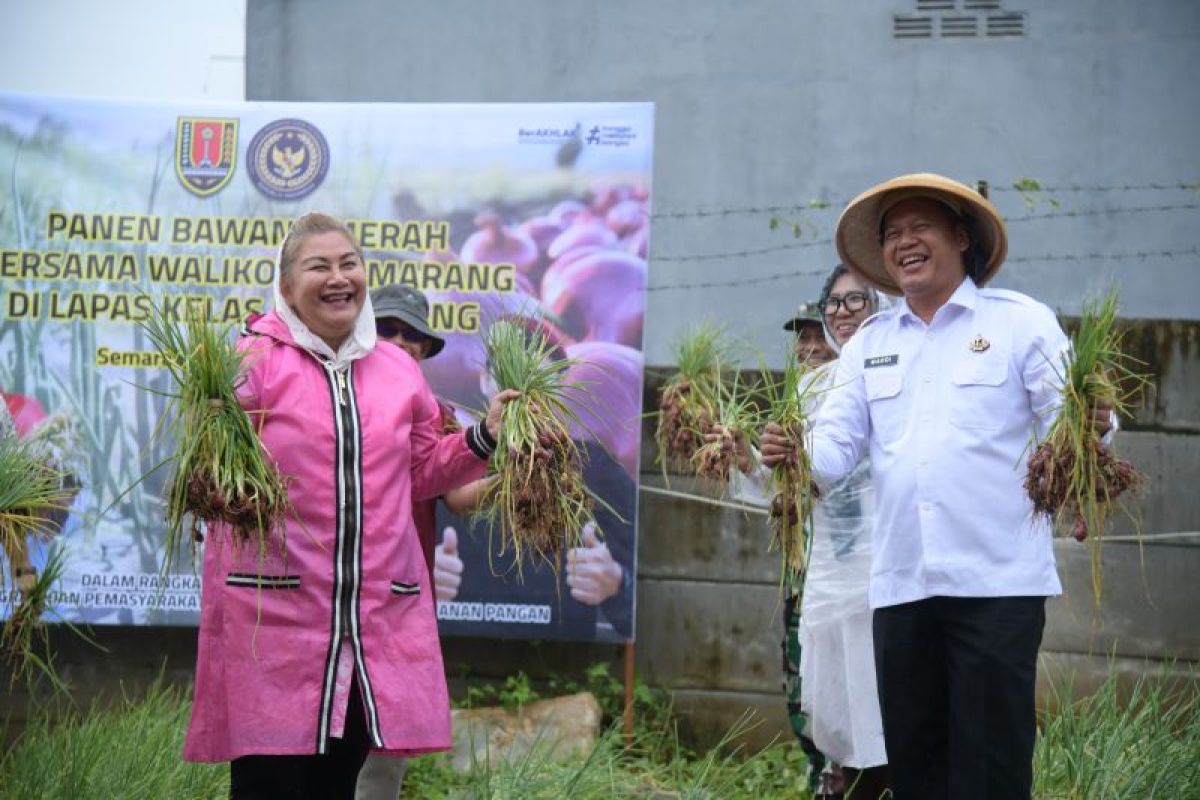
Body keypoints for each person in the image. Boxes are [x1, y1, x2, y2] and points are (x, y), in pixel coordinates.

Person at [762, 173, 1114, 799]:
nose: (904, 242)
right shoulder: (870, 344)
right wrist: (795, 454)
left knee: (991, 767)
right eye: (892, 234)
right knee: (918, 766)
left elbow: (1074, 429)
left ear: (960, 237)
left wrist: (1096, 425)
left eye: (919, 226)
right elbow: (835, 450)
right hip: (901, 589)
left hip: (996, 585)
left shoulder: (1020, 324)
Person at [182, 212, 516, 800]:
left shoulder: (398, 371)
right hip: (276, 620)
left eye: (348, 263)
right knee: (268, 787)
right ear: (286, 288)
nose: (339, 278)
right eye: (319, 266)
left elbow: (420, 471)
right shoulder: (251, 363)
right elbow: (211, 465)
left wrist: (481, 438)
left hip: (368, 625)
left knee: (338, 783)